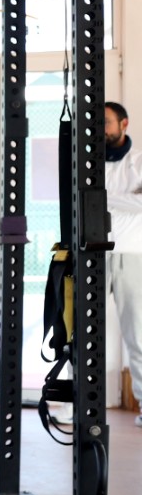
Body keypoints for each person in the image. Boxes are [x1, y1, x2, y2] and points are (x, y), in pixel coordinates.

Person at [105, 101, 142, 425]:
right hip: (94, 253)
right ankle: (76, 404)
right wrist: (131, 197)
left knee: (138, 334)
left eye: (106, 123)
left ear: (124, 124)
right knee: (82, 334)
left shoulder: (139, 162)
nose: (101, 130)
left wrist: (102, 196)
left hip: (133, 254)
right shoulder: (88, 162)